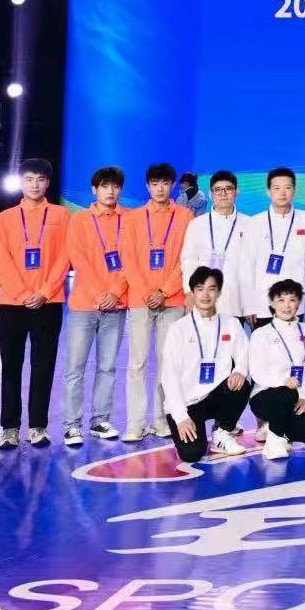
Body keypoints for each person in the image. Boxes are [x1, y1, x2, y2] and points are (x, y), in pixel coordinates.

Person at [0, 157, 70, 449]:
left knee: (43, 367)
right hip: (12, 304)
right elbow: (0, 259)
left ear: (47, 183)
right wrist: (23, 293)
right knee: (10, 368)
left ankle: (38, 426)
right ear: (21, 183)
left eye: (40, 180)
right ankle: (9, 428)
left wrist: (45, 291)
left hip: (49, 303)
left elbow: (65, 256)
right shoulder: (5, 218)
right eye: (29, 179)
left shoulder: (62, 215)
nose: (34, 185)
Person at [61, 166, 132, 447]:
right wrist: (101, 293)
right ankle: (71, 425)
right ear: (94, 189)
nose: (110, 191)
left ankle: (100, 420)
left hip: (117, 305)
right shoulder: (79, 220)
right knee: (75, 368)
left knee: (107, 367)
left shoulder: (130, 219)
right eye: (104, 186)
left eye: (115, 186)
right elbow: (78, 259)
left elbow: (132, 259)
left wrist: (114, 293)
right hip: (84, 305)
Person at [124, 163, 192, 442]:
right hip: (140, 300)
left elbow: (186, 258)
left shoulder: (185, 216)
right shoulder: (133, 217)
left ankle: (161, 419)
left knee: (168, 363)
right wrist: (146, 292)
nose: (160, 189)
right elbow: (128, 258)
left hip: (172, 300)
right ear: (147, 186)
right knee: (137, 363)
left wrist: (163, 291)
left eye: (165, 183)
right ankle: (135, 423)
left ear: (173, 185)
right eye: (155, 183)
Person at [158, 267, 250, 462]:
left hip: (216, 394)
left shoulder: (230, 323)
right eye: (200, 289)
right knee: (192, 454)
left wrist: (240, 370)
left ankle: (222, 432)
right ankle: (187, 428)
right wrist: (181, 417)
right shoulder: (178, 329)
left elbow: (244, 354)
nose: (205, 295)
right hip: (187, 403)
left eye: (211, 289)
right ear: (192, 293)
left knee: (241, 384)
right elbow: (169, 377)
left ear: (219, 292)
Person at [245, 279, 305, 459]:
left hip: (297, 395)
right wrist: (282, 381)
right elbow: (256, 371)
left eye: (292, 300)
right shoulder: (261, 334)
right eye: (281, 300)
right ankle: (275, 438)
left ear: (299, 303)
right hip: (266, 395)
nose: (287, 306)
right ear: (272, 303)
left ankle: (276, 427)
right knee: (285, 393)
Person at [237, 167, 305, 328]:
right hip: (262, 303)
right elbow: (246, 266)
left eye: (287, 187)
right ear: (268, 191)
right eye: (277, 188)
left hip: (294, 302)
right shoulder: (254, 223)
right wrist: (248, 305)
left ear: (294, 190)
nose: (282, 193)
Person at [178, 169, 244, 319]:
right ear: (210, 193)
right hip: (202, 298)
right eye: (218, 189)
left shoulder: (248, 223)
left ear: (236, 192)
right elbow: (189, 261)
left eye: (228, 189)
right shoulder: (196, 224)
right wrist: (189, 292)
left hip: (236, 300)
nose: (223, 194)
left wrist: (251, 302)